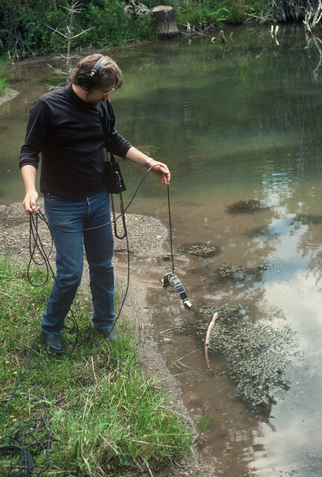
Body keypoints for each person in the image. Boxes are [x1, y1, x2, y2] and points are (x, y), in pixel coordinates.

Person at [19, 53, 171, 354]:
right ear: (85, 83)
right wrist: (29, 190)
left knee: (103, 266)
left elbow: (113, 140)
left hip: (99, 199)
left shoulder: (101, 105)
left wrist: (149, 163)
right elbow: (29, 152)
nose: (108, 96)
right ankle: (51, 329)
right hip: (63, 204)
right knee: (71, 272)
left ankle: (104, 323)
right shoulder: (47, 106)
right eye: (104, 91)